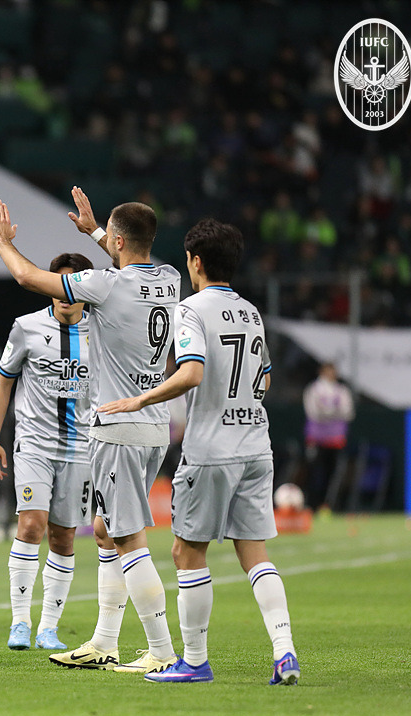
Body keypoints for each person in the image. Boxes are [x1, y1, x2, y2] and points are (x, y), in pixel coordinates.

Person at [99, 218, 300, 685]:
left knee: (187, 552)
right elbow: (265, 377)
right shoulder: (251, 312)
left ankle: (193, 661)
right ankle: (284, 650)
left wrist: (141, 399)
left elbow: (191, 373)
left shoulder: (190, 310)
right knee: (255, 553)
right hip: (256, 446)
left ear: (195, 262)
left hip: (211, 449)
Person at [0, 189, 179, 675]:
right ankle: (103, 641)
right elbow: (125, 257)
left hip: (117, 427)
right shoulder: (170, 278)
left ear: (118, 240)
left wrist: (3, 242)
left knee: (126, 537)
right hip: (155, 426)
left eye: (109, 237)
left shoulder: (105, 285)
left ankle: (161, 650)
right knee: (104, 531)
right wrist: (95, 231)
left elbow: (28, 277)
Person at [0, 253, 93, 652]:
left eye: (73, 285)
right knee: (32, 525)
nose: (64, 294)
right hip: (34, 443)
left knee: (64, 536)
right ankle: (19, 622)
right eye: (57, 284)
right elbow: (4, 381)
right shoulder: (27, 327)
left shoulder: (102, 330)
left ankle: (49, 628)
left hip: (82, 447)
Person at [302, 362, 353, 512]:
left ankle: (330, 504)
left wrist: (327, 413)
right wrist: (332, 413)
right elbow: (313, 413)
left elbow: (348, 412)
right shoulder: (313, 390)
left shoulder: (341, 390)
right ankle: (311, 504)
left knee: (333, 473)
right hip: (316, 438)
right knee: (314, 471)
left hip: (335, 439)